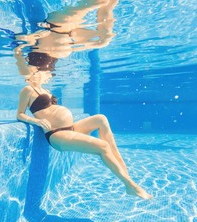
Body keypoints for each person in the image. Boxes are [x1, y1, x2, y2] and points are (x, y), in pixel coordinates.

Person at [15, 0, 153, 200]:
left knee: (101, 118)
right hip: (57, 135)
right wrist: (36, 121)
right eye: (41, 73)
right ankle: (129, 185)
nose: (46, 75)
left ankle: (125, 171)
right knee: (102, 147)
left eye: (46, 73)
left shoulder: (43, 81)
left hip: (69, 127)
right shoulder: (28, 87)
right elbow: (19, 114)